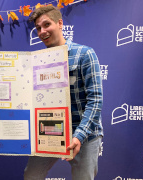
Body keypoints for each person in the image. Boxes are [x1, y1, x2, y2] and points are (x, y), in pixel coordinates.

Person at [24, 5, 103, 180]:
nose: (42, 31)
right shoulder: (38, 61)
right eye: (38, 28)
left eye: (46, 25)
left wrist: (79, 136)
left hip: (85, 135)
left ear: (60, 23)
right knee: (31, 175)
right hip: (50, 130)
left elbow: (95, 100)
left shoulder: (85, 54)